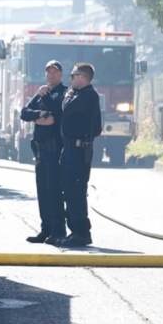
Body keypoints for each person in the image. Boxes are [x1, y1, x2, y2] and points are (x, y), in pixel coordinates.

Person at [20, 60, 67, 245]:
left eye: (54, 72)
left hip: (54, 149)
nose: (51, 75)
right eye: (48, 72)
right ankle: (45, 229)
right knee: (42, 191)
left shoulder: (63, 93)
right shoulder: (41, 93)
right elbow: (24, 113)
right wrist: (40, 115)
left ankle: (58, 231)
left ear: (60, 75)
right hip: (40, 150)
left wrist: (45, 103)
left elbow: (56, 114)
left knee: (53, 191)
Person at [58, 62, 103, 247]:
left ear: (83, 77)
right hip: (69, 149)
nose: (71, 78)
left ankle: (82, 232)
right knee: (68, 191)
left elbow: (96, 127)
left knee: (76, 191)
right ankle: (75, 230)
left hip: (79, 150)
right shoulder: (75, 94)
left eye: (74, 75)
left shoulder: (89, 96)